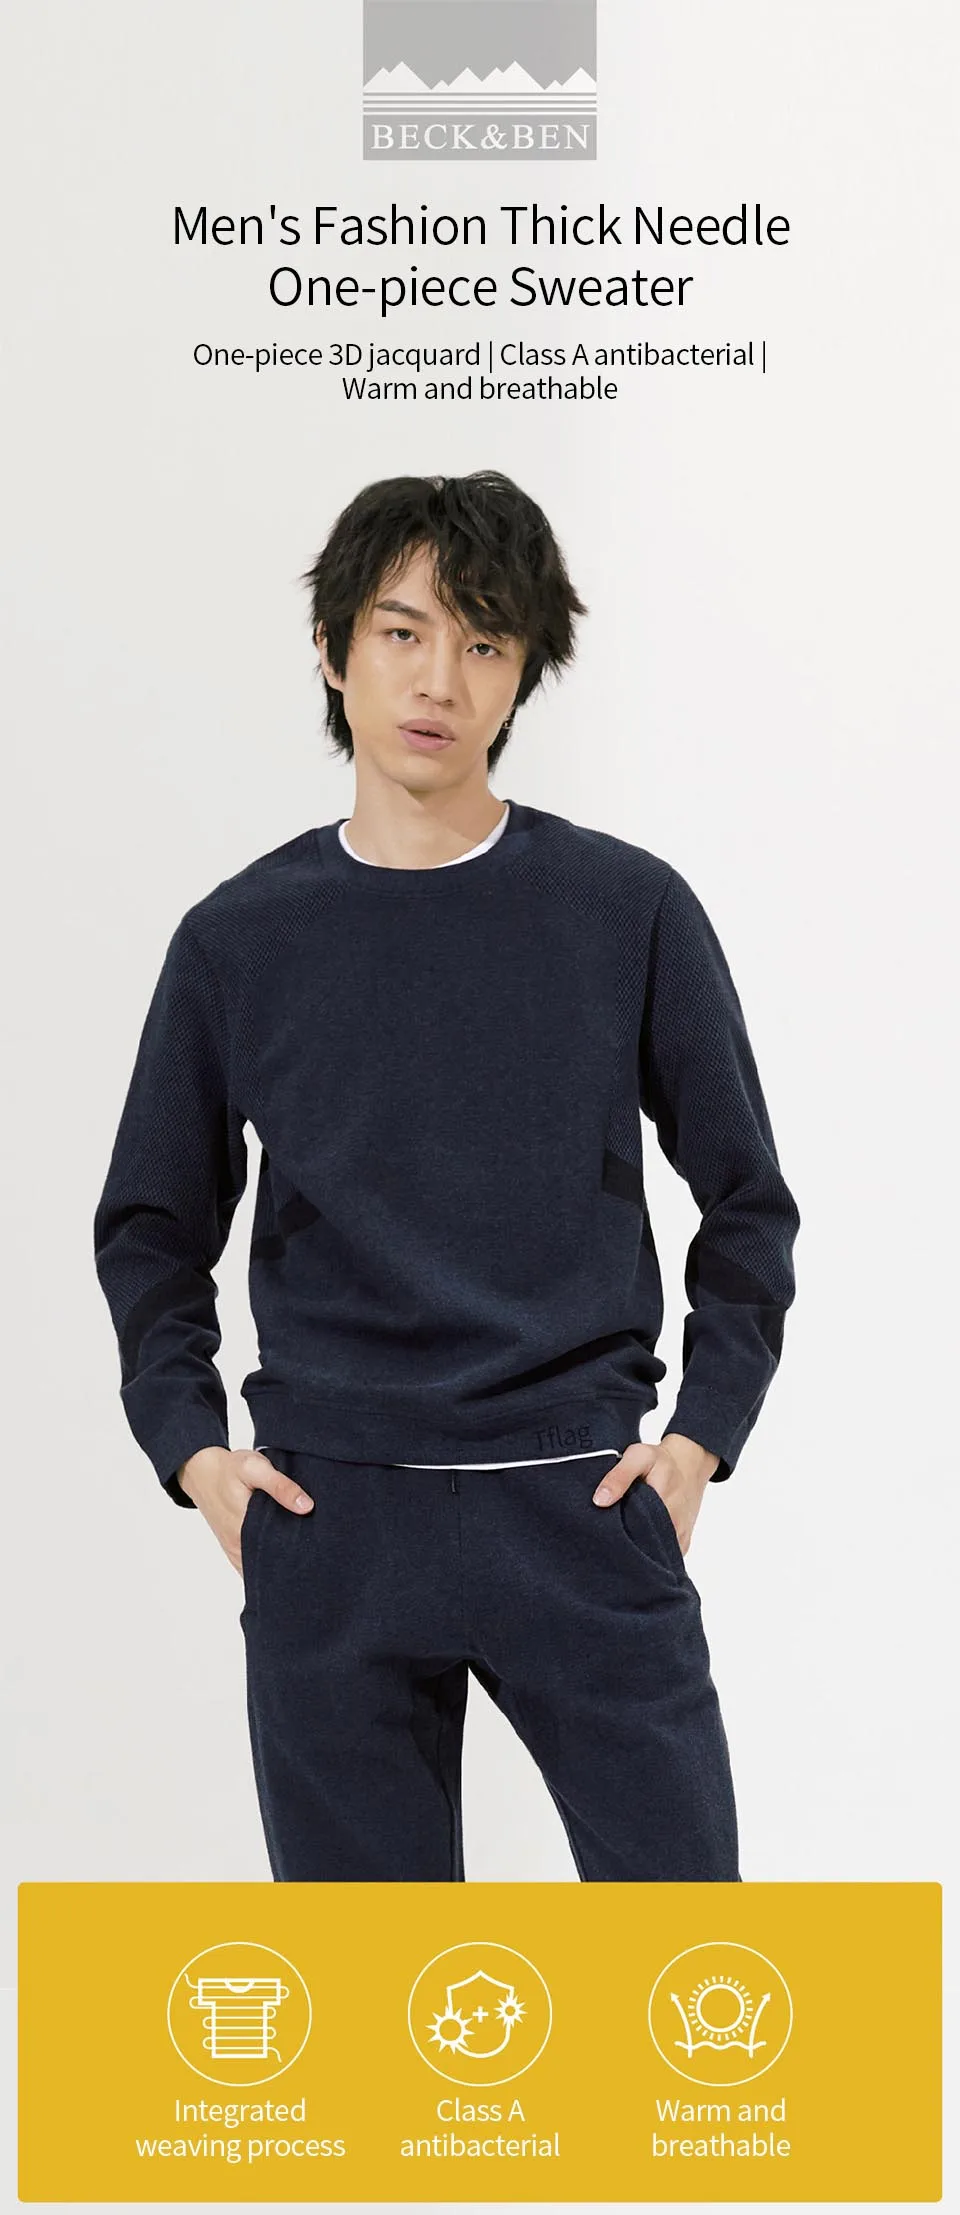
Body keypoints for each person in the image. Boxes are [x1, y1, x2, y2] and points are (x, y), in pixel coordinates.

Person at [93, 469, 800, 1884]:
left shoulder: (626, 910)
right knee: (368, 1999)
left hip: (579, 1502)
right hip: (332, 1522)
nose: (440, 680)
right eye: (403, 632)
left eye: (484, 642)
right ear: (333, 647)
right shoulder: (239, 939)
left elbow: (747, 1203)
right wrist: (191, 1450)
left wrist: (702, 1435)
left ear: (524, 671)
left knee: (691, 1964)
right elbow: (152, 1227)